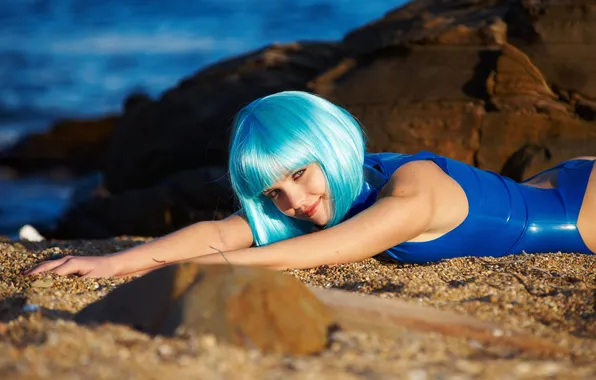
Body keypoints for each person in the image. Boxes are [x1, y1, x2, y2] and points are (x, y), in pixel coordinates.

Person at [25, 91, 596, 278]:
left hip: (581, 210)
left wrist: (169, 269)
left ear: (329, 150)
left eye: (299, 173)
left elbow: (320, 251)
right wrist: (109, 265)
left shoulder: (412, 193)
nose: (293, 202)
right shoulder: (349, 183)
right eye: (274, 192)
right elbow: (221, 233)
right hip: (545, 181)